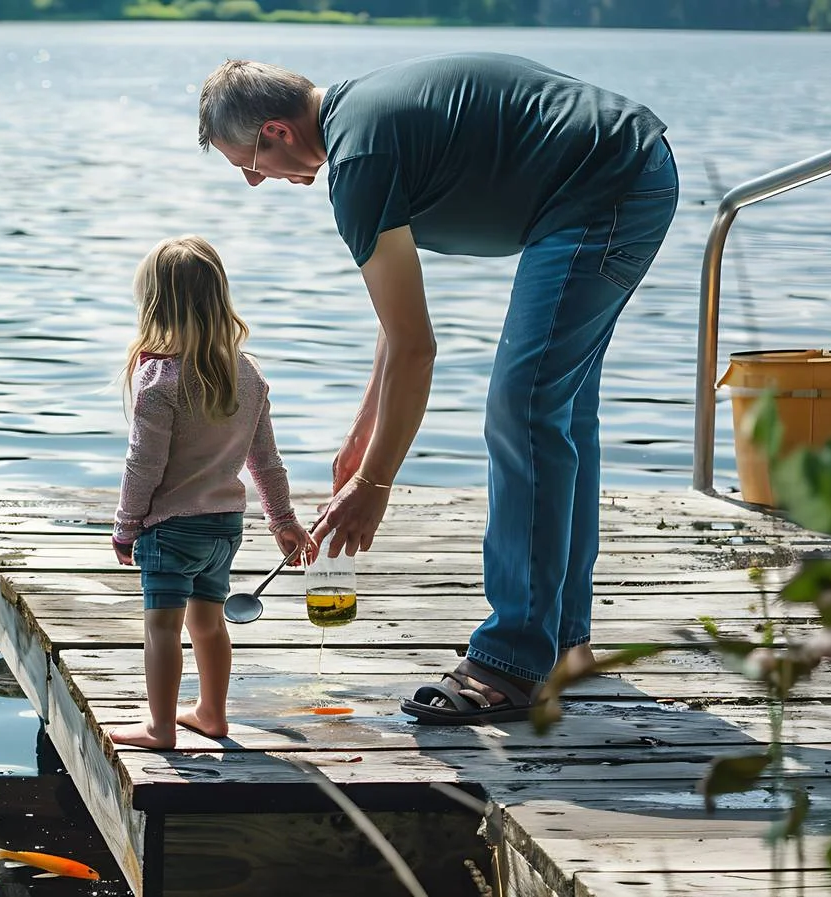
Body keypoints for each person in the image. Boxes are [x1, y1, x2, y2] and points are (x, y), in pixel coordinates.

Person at [197, 53, 678, 724]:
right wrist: (366, 433)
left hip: (604, 189)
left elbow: (420, 348)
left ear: (276, 131)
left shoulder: (359, 161)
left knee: (526, 408)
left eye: (247, 162)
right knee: (558, 410)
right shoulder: (361, 128)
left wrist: (374, 484)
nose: (254, 181)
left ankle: (511, 658)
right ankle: (564, 645)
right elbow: (398, 328)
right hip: (625, 174)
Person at [110, 235, 315, 749]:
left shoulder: (158, 379)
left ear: (155, 306)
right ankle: (211, 713)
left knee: (162, 627)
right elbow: (264, 460)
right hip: (224, 529)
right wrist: (283, 520)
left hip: (169, 530)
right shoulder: (246, 373)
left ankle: (159, 728)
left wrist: (125, 526)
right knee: (208, 624)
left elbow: (143, 466)